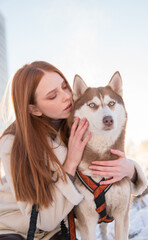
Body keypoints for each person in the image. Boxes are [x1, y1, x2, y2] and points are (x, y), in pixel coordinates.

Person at [0, 61, 147, 240]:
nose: (66, 97)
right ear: (34, 109)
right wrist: (70, 163)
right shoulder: (12, 142)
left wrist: (130, 169)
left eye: (64, 87)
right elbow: (42, 220)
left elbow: (105, 155)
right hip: (14, 228)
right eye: (53, 95)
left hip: (57, 229)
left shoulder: (76, 120)